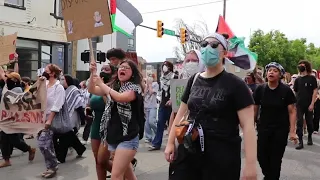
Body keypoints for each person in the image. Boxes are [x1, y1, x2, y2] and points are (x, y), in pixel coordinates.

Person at [165, 33, 257, 180]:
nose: (208, 48)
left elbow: (248, 126)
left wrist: (251, 164)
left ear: (224, 53)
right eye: (204, 44)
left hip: (221, 157)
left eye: (214, 45)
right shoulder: (193, 80)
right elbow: (180, 114)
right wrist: (170, 143)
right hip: (189, 151)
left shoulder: (236, 85)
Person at [89, 59, 143, 180]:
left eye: (126, 68)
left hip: (128, 138)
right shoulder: (114, 87)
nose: (122, 69)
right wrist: (92, 73)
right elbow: (92, 90)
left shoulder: (134, 88)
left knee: (116, 176)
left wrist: (101, 84)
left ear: (133, 73)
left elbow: (120, 98)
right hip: (114, 136)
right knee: (129, 176)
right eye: (120, 67)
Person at [253, 62, 297, 180]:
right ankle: (269, 176)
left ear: (280, 75)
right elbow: (255, 108)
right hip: (263, 128)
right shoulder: (260, 89)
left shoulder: (286, 90)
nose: (271, 72)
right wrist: (250, 126)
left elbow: (292, 111)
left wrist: (292, 131)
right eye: (269, 70)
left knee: (275, 159)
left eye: (275, 71)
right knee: (261, 156)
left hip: (280, 130)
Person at [0, 71, 36, 168]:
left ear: (14, 80)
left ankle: (29, 149)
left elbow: (12, 101)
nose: (6, 80)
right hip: (5, 118)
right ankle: (6, 160)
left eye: (9, 78)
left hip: (13, 119)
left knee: (14, 140)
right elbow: (2, 76)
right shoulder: (9, 88)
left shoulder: (17, 90)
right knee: (3, 139)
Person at [88, 64, 116, 180]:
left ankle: (124, 173)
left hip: (108, 127)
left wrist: (103, 85)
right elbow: (91, 93)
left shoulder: (114, 87)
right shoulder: (97, 85)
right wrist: (92, 73)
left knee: (102, 160)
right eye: (102, 69)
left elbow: (110, 104)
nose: (104, 71)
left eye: (107, 69)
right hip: (95, 126)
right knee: (98, 161)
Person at [149, 61, 175, 151]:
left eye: (166, 66)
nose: (164, 67)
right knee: (160, 123)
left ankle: (173, 143)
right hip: (163, 104)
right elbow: (160, 91)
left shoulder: (174, 76)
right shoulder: (161, 79)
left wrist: (172, 99)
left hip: (172, 104)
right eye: (163, 66)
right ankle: (156, 144)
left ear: (170, 67)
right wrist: (159, 100)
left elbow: (176, 88)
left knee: (172, 125)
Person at [294, 60, 318, 150]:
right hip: (299, 104)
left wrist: (312, 103)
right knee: (299, 122)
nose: (301, 66)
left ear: (306, 67)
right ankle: (300, 142)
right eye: (299, 65)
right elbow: (295, 92)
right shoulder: (297, 80)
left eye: (302, 65)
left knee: (309, 122)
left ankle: (310, 137)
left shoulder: (312, 78)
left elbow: (315, 91)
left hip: (309, 104)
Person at [144, 74, 159, 143]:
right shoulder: (145, 85)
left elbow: (151, 92)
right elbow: (143, 94)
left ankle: (157, 133)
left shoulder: (155, 84)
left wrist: (150, 85)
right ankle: (148, 137)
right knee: (146, 123)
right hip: (146, 106)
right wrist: (146, 86)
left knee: (151, 122)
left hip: (153, 106)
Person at [311, 69, 320, 134]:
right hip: (308, 98)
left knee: (317, 113)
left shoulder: (318, 81)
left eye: (314, 72)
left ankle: (315, 128)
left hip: (317, 98)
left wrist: (318, 95)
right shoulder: (308, 80)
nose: (313, 74)